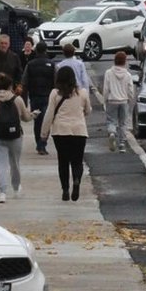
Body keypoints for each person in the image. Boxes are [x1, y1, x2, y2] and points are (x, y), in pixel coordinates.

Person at [40, 65, 91, 202]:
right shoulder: (83, 93)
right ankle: (76, 180)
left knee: (63, 161)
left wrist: (44, 134)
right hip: (79, 131)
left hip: (60, 131)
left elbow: (49, 114)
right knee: (77, 161)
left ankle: (65, 190)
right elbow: (88, 110)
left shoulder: (55, 94)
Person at [0, 73, 35, 203]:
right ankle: (16, 188)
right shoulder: (18, 100)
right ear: (10, 86)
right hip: (15, 136)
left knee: (0, 164)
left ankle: (2, 192)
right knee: (14, 163)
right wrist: (33, 115)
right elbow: (26, 118)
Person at [21, 41, 56, 155]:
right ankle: (42, 143)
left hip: (34, 96)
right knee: (46, 121)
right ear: (46, 50)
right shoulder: (51, 64)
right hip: (48, 97)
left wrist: (24, 100)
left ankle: (38, 142)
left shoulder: (30, 64)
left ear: (35, 51)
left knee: (37, 121)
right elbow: (56, 83)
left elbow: (24, 83)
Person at [102, 50, 135, 153]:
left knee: (111, 120)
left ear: (114, 61)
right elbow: (130, 89)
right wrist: (130, 98)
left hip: (112, 100)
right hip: (124, 101)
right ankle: (122, 144)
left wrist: (105, 99)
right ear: (124, 61)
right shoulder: (128, 75)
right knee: (123, 123)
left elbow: (106, 88)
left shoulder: (108, 73)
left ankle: (112, 133)